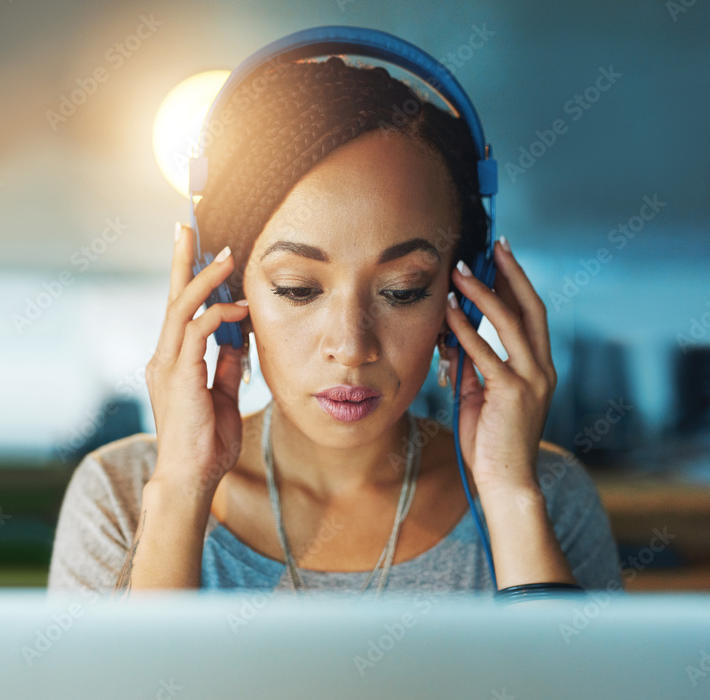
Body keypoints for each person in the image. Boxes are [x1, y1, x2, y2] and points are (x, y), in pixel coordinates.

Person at [47, 55, 621, 597]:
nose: (351, 347)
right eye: (299, 289)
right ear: (227, 291)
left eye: (403, 291)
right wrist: (179, 495)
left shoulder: (549, 493)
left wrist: (510, 498)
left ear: (460, 299)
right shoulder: (120, 495)